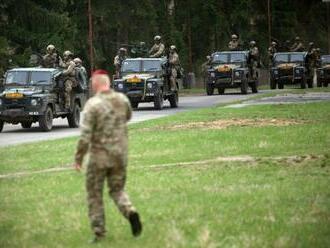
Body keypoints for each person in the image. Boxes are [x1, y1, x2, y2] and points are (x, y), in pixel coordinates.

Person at [74, 69, 142, 243]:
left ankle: (99, 232)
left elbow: (85, 136)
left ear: (95, 84)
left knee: (95, 194)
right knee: (117, 190)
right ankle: (130, 211)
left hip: (99, 157)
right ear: (108, 83)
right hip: (120, 155)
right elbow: (127, 117)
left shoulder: (92, 104)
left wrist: (79, 158)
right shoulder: (123, 99)